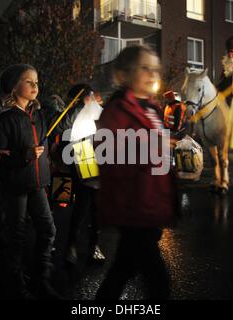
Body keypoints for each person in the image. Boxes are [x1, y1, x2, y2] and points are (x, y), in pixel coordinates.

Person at [95, 45, 177, 300]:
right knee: (158, 282)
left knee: (122, 270)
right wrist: (150, 148)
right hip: (134, 208)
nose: (152, 73)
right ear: (124, 74)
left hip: (151, 205)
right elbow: (108, 156)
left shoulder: (151, 108)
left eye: (155, 68)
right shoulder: (117, 111)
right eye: (145, 68)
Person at [0, 64, 61, 300]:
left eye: (37, 82)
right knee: (16, 236)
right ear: (13, 86)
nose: (35, 86)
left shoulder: (39, 115)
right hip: (16, 186)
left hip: (38, 184)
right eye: (28, 81)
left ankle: (41, 279)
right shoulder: (5, 120)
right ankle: (16, 286)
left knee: (48, 229)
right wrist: (24, 156)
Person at [64, 84, 106, 265]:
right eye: (87, 95)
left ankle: (94, 245)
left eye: (92, 94)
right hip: (83, 155)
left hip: (101, 155)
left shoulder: (99, 111)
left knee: (98, 208)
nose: (92, 98)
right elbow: (64, 126)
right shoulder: (73, 113)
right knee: (82, 204)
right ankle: (71, 245)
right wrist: (81, 106)